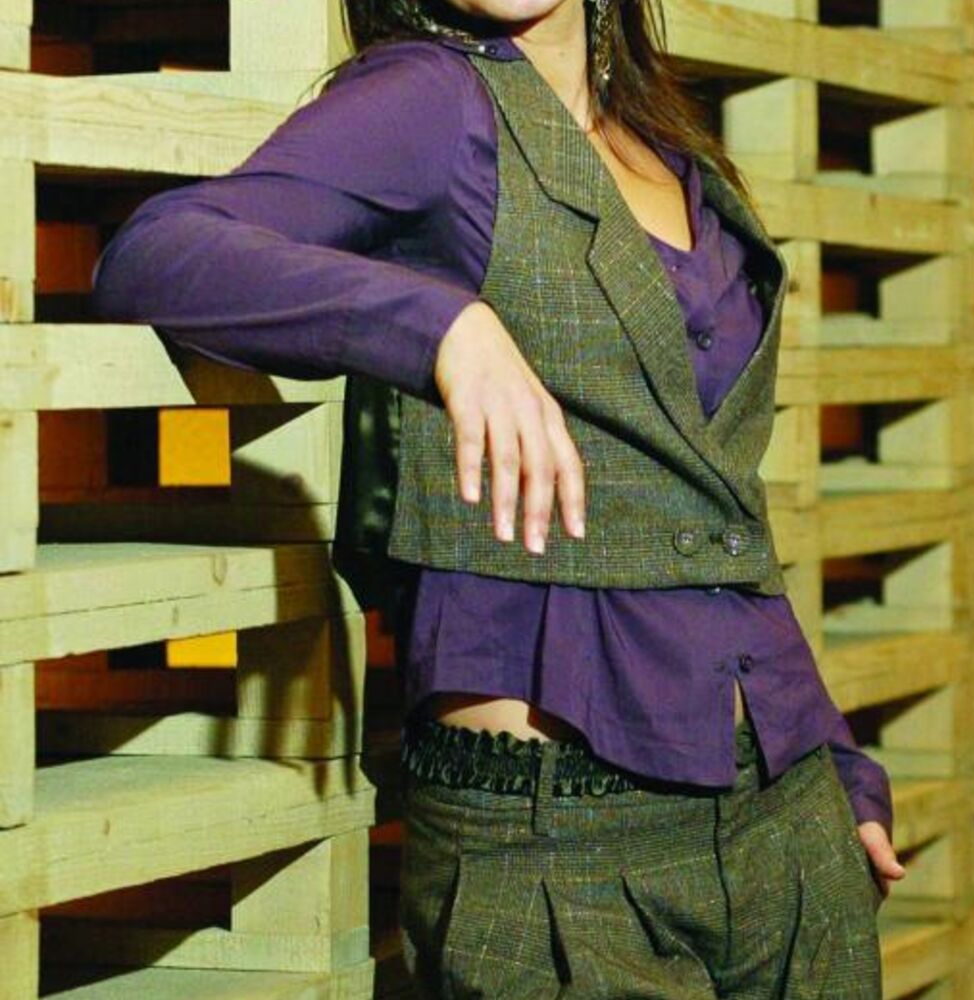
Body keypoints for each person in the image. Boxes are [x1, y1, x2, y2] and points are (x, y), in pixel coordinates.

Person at [91, 0, 904, 995]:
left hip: (792, 819)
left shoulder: (667, 140)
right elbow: (157, 254)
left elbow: (715, 504)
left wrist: (832, 751)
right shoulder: (430, 102)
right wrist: (441, 326)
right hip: (559, 844)